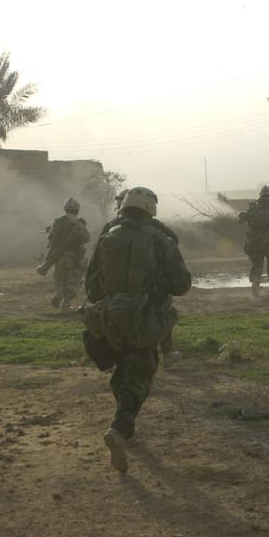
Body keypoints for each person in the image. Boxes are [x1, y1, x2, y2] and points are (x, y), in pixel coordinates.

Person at [83, 187, 191, 473]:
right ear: (150, 209)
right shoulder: (159, 239)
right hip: (143, 320)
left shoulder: (107, 235)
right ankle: (120, 427)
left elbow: (91, 288)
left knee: (122, 371)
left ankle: (124, 424)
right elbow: (182, 286)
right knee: (141, 373)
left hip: (107, 317)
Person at [104, 187, 182, 364]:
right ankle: (165, 352)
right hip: (143, 289)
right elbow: (173, 242)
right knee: (161, 309)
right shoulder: (147, 226)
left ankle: (163, 351)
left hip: (123, 290)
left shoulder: (112, 229)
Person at [37, 197, 90, 310]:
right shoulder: (81, 224)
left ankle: (58, 295)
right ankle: (66, 304)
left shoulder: (58, 221)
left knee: (60, 279)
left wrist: (49, 258)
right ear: (77, 210)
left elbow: (53, 240)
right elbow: (86, 239)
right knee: (72, 281)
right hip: (75, 258)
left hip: (60, 256)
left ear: (65, 209)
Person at [238, 185, 269, 296]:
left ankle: (255, 284)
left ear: (261, 195)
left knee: (257, 265)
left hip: (254, 243)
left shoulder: (253, 208)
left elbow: (242, 220)